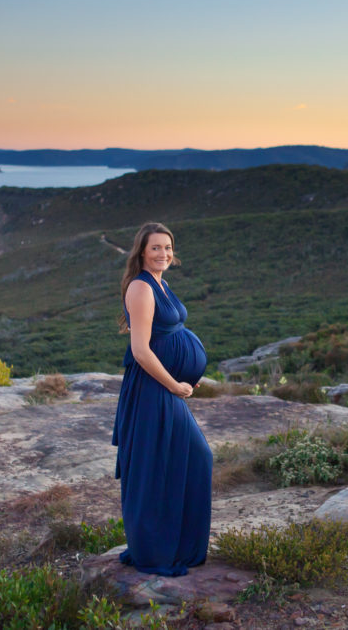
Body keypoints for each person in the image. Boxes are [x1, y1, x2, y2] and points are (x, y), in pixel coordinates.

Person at [111, 221, 212, 576]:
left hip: (168, 385)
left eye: (168, 248)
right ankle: (155, 550)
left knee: (192, 458)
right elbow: (140, 351)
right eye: (156, 248)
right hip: (153, 389)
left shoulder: (161, 283)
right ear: (141, 252)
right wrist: (173, 384)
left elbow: (165, 338)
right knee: (156, 465)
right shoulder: (140, 288)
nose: (164, 254)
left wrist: (185, 375)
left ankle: (180, 545)